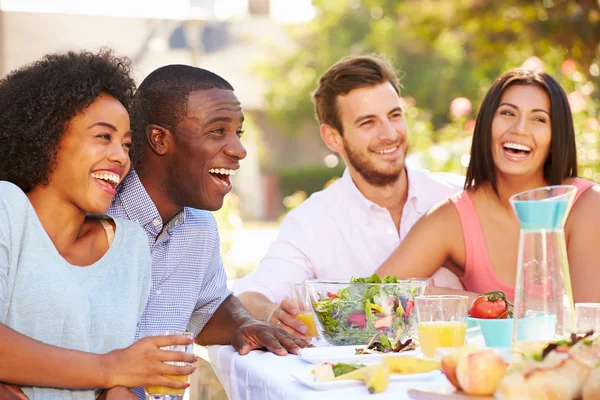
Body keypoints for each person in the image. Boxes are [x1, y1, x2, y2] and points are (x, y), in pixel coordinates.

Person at [0, 51, 195, 400]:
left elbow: (119, 380)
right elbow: (115, 367)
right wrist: (110, 368)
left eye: (126, 144)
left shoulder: (131, 246)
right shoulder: (6, 208)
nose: (121, 157)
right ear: (47, 138)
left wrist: (121, 389)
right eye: (103, 137)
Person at [107, 64, 310, 398]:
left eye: (237, 133)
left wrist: (245, 323)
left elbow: (208, 308)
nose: (238, 150)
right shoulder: (98, 217)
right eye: (217, 131)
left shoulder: (200, 226)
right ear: (160, 139)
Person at [234, 54, 465, 339]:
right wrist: (271, 313)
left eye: (395, 115)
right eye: (368, 123)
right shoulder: (312, 223)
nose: (390, 134)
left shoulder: (455, 196)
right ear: (333, 138)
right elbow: (249, 294)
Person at [376, 68, 600, 304]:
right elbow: (371, 297)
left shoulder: (587, 206)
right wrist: (475, 303)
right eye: (507, 113)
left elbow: (589, 328)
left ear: (556, 138)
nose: (520, 129)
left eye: (539, 119)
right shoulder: (454, 218)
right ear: (486, 124)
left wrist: (479, 306)